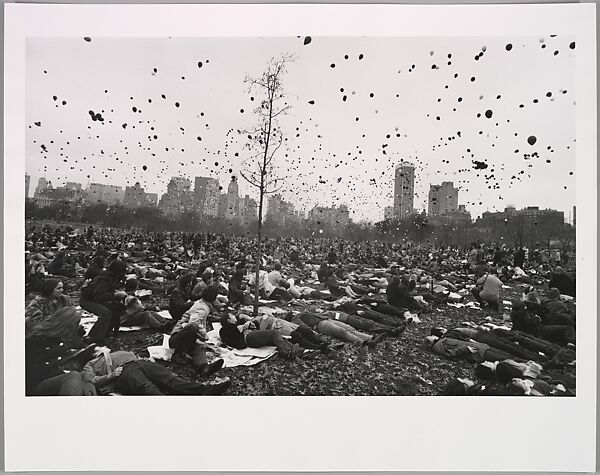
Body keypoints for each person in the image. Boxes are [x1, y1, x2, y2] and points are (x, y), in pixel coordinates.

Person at [82, 348, 230, 395]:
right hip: (123, 372)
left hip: (139, 363)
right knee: (148, 388)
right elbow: (89, 379)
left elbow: (136, 357)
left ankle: (204, 390)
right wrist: (110, 376)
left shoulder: (118, 352)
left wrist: (146, 359)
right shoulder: (91, 364)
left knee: (170, 379)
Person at [25, 307, 96, 396]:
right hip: (34, 384)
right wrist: (64, 361)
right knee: (73, 376)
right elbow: (36, 371)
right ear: (66, 326)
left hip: (50, 376)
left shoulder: (59, 339)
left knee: (85, 379)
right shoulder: (36, 340)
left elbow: (77, 343)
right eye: (76, 325)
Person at [168, 285, 224, 376]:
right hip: (177, 338)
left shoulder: (202, 304)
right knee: (194, 330)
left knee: (199, 347)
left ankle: (204, 367)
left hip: (185, 338)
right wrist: (202, 335)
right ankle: (178, 354)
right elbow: (192, 325)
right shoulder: (201, 308)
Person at [79, 260, 128, 346]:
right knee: (106, 314)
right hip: (87, 300)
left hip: (95, 299)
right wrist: (115, 295)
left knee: (116, 309)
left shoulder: (111, 277)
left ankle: (105, 333)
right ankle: (93, 337)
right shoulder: (105, 279)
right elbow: (99, 296)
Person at [219, 315, 305, 360]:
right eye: (232, 316)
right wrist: (242, 328)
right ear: (228, 319)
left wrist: (251, 325)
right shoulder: (225, 329)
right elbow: (233, 339)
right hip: (248, 337)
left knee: (278, 339)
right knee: (274, 333)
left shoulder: (235, 324)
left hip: (250, 335)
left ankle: (301, 352)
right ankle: (287, 353)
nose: (234, 317)